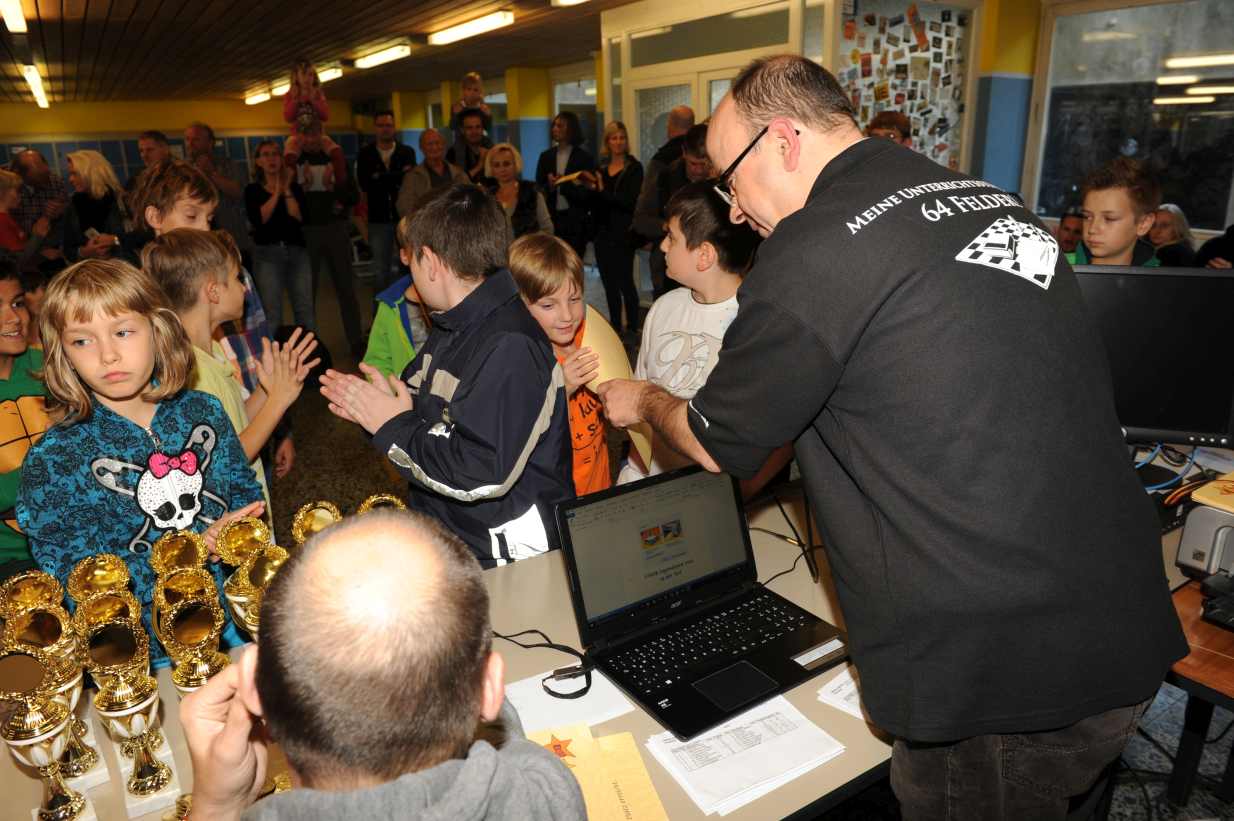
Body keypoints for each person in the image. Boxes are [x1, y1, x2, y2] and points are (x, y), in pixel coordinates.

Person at [597, 55, 1186, 819]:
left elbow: (718, 442)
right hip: (1120, 616)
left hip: (998, 675)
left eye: (730, 182)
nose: (734, 212)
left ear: (784, 140)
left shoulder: (814, 246)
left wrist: (645, 398)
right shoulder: (988, 197)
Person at [180, 508, 586, 821]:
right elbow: (516, 754)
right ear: (491, 688)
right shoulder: (546, 794)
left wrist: (215, 807)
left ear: (255, 688)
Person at [16, 259, 264, 665]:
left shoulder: (204, 411)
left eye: (123, 332)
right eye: (82, 341)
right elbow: (76, 581)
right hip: (146, 652)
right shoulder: (54, 459)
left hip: (237, 624)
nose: (108, 355)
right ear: (63, 353)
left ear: (158, 329)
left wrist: (236, 534)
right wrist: (191, 553)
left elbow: (245, 494)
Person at [319, 184, 572, 568]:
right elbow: (419, 407)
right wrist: (377, 409)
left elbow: (482, 473)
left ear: (432, 263)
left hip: (502, 557)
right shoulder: (454, 323)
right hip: (455, 532)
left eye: (413, 263)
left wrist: (391, 424)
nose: (411, 275)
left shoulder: (511, 346)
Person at [142, 229, 319, 512]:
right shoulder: (189, 370)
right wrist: (278, 401)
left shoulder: (213, 350)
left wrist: (267, 389)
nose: (244, 289)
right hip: (231, 517)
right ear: (213, 291)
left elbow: (232, 423)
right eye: (237, 278)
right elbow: (226, 458)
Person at [618, 180, 761, 484]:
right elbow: (638, 400)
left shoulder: (755, 323)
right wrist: (636, 470)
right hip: (648, 478)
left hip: (712, 490)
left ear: (704, 255)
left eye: (671, 237)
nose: (662, 245)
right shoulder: (664, 307)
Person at [509, 233, 609, 497]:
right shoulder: (519, 360)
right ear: (518, 307)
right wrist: (562, 388)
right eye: (548, 305)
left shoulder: (589, 335)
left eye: (574, 300)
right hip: (554, 498)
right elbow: (516, 435)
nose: (567, 316)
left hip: (597, 486)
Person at [295, 122, 365, 359]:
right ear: (299, 137)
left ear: (322, 134)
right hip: (307, 233)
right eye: (305, 134)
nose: (310, 139)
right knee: (307, 294)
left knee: (346, 290)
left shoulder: (336, 160)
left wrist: (333, 186)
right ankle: (310, 350)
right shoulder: (294, 162)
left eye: (314, 133)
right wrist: (303, 186)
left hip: (335, 229)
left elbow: (352, 197)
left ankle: (356, 342)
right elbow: (289, 199)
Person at [0, 260, 48, 580]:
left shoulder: (50, 367)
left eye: (17, 303)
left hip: (76, 540)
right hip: (10, 560)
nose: (13, 318)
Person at [631, 123, 714, 297]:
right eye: (693, 164)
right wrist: (668, 227)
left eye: (704, 164)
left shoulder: (720, 177)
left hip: (710, 273)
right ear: (684, 152)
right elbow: (640, 220)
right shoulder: (664, 178)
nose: (699, 171)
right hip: (669, 275)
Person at [581, 121, 643, 337]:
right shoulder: (599, 170)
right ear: (607, 142)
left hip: (624, 234)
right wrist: (591, 189)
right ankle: (616, 327)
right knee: (609, 285)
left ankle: (633, 329)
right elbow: (596, 205)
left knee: (626, 283)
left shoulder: (634, 168)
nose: (618, 142)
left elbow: (627, 202)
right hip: (602, 234)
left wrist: (601, 191)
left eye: (621, 137)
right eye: (613, 138)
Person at [245, 139, 314, 332]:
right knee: (272, 312)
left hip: (297, 252)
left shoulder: (295, 188)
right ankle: (273, 351)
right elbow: (260, 219)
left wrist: (287, 189)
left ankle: (309, 350)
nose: (271, 159)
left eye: (275, 154)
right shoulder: (252, 190)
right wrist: (277, 191)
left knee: (305, 309)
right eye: (266, 155)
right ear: (258, 162)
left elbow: (299, 217)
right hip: (267, 255)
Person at [356, 109, 417, 293]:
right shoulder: (365, 154)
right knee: (380, 272)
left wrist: (379, 177)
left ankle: (404, 308)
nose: (385, 129)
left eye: (389, 125)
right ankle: (380, 310)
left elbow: (409, 181)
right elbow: (365, 184)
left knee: (405, 268)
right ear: (375, 128)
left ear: (394, 127)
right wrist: (397, 175)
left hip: (403, 220)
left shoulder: (406, 152)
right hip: (378, 220)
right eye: (381, 125)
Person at [184, 121, 254, 264]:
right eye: (187, 139)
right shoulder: (183, 169)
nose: (190, 144)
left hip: (232, 239)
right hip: (198, 242)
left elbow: (239, 192)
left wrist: (211, 173)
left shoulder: (229, 165)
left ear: (210, 143)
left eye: (196, 139)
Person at [1074, 157, 1160, 267]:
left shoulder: (1161, 277)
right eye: (1087, 217)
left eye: (1109, 219)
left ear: (1143, 224)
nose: (1092, 229)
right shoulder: (1056, 269)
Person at [534, 112, 595, 259]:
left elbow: (587, 192)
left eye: (560, 126)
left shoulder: (584, 158)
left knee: (573, 261)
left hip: (575, 221)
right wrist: (550, 186)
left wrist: (564, 184)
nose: (555, 129)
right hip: (551, 218)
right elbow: (538, 187)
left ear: (571, 129)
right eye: (554, 125)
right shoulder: (546, 156)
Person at [281, 57, 347, 187]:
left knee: (337, 152)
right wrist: (295, 100)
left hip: (318, 135)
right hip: (297, 136)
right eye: (304, 74)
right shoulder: (290, 95)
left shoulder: (319, 94)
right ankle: (292, 188)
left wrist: (314, 100)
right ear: (296, 77)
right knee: (289, 157)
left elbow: (325, 116)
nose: (308, 78)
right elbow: (288, 118)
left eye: (311, 75)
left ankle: (341, 186)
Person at [62, 150, 130, 263]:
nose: (71, 179)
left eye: (75, 173)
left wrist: (114, 240)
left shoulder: (123, 201)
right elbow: (68, 250)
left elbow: (142, 237)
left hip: (125, 268)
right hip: (93, 270)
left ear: (91, 173)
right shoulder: (73, 206)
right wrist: (85, 252)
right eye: (70, 174)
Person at [10, 149, 69, 269]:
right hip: (20, 252)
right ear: (19, 174)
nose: (45, 184)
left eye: (46, 177)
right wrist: (37, 248)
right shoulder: (7, 187)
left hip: (51, 250)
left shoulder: (54, 181)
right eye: (38, 181)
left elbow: (69, 209)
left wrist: (62, 209)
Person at [485, 143, 553, 240]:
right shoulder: (487, 197)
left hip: (527, 249)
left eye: (506, 164)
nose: (502, 169)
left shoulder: (532, 192)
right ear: (491, 169)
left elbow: (548, 230)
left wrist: (528, 246)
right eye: (496, 165)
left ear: (516, 164)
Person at [396, 129, 468, 219]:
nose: (434, 147)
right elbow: (404, 206)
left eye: (438, 143)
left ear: (444, 145)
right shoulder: (412, 177)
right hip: (427, 225)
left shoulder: (458, 173)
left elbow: (470, 198)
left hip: (458, 223)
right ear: (421, 148)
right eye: (429, 144)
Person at [0, 169, 48, 267]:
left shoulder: (6, 217)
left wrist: (41, 253)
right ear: (2, 192)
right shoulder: (2, 221)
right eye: (17, 191)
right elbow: (17, 262)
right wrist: (38, 236)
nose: (20, 195)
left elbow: (21, 248)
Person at [446, 108, 492, 184]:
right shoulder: (453, 153)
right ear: (462, 130)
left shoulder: (492, 149)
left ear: (482, 129)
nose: (474, 131)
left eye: (478, 127)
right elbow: (454, 183)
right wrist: (479, 166)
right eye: (469, 128)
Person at [449, 71, 495, 140]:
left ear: (480, 92)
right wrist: (456, 115)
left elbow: (488, 128)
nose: (472, 93)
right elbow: (452, 127)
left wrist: (488, 116)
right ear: (464, 91)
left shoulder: (483, 108)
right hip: (462, 143)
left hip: (480, 142)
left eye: (475, 90)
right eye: (469, 89)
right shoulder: (457, 107)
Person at [1149, 203, 1196, 267]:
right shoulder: (1151, 249)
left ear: (1178, 227)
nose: (1157, 231)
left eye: (1164, 225)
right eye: (1153, 225)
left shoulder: (1173, 253)